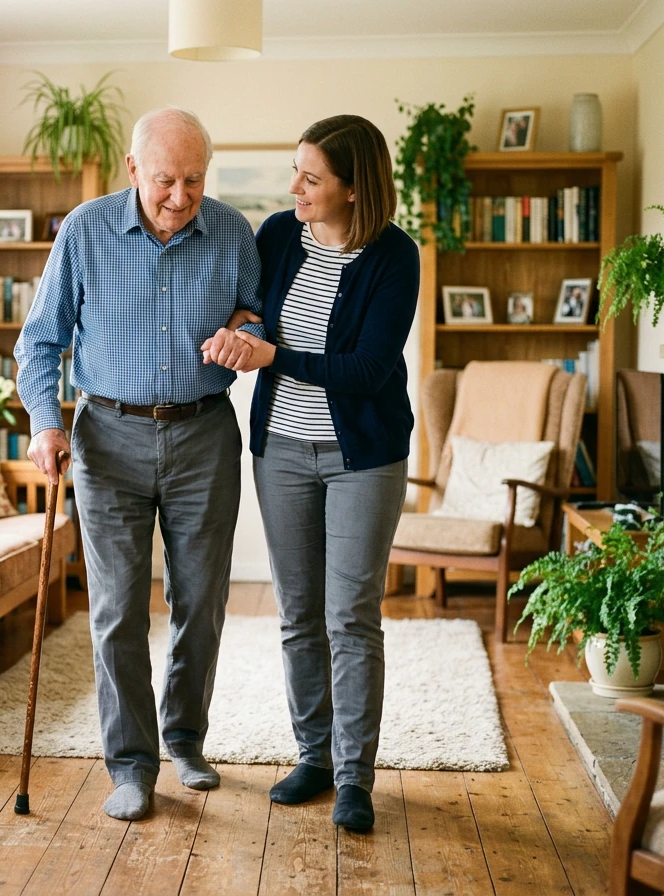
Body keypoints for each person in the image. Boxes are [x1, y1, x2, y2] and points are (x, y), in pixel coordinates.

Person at [14, 107, 263, 821]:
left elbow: (260, 313)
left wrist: (245, 333)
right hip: (106, 437)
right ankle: (130, 764)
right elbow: (40, 343)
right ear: (132, 170)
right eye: (164, 180)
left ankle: (185, 739)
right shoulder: (86, 231)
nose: (180, 196)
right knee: (119, 607)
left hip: (203, 434)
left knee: (200, 601)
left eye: (192, 179)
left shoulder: (233, 233)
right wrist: (44, 422)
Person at [203, 114, 420, 831]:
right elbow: (256, 311)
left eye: (311, 178)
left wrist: (275, 359)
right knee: (298, 616)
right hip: (283, 452)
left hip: (363, 455)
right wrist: (246, 331)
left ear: (355, 190)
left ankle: (356, 778)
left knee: (350, 617)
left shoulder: (395, 256)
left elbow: (369, 370)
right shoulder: (275, 236)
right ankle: (315, 757)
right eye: (296, 170)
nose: (293, 186)